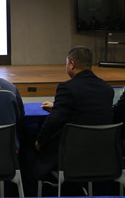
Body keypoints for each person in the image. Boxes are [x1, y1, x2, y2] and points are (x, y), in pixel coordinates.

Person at [32, 46, 114, 183]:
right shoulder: (107, 89)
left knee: (30, 143)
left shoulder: (67, 88)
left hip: (71, 154)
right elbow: (87, 107)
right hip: (100, 153)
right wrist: (57, 106)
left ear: (72, 64)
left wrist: (39, 141)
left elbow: (54, 120)